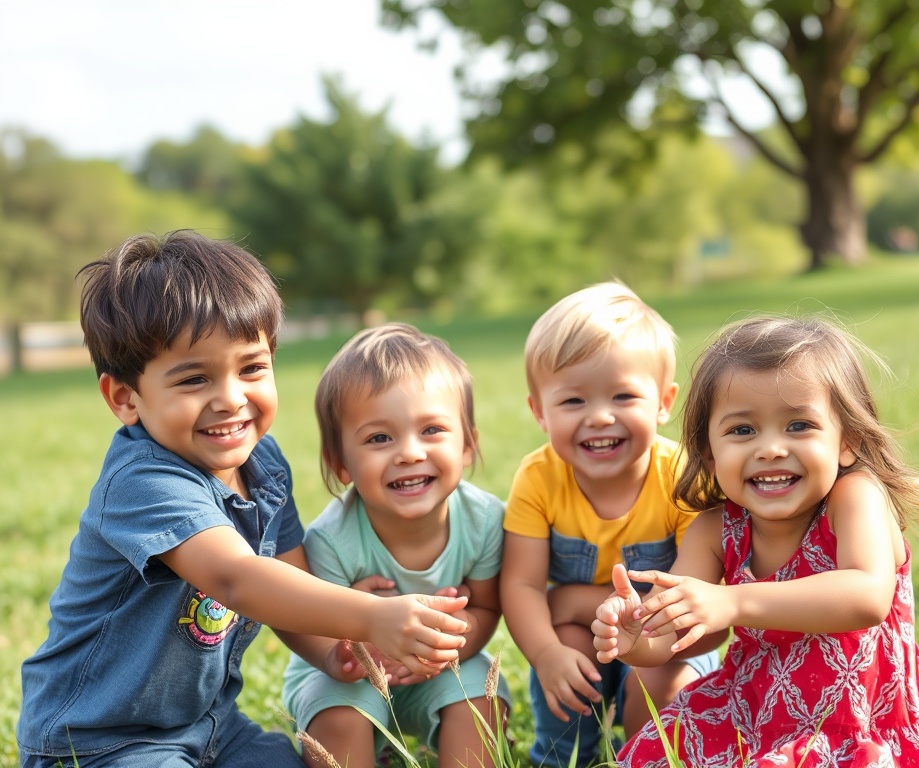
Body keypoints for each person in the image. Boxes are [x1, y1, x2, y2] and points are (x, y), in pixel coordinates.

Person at [17, 231, 470, 768]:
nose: (231, 399)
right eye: (193, 379)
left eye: (251, 368)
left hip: (211, 729)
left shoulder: (264, 466)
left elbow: (288, 580)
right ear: (126, 398)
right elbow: (238, 579)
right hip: (100, 740)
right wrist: (371, 616)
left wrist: (335, 647)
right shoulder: (143, 482)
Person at [593, 314, 919, 767]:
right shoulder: (715, 530)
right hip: (750, 718)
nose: (771, 448)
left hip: (861, 722)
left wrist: (732, 601)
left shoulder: (854, 499)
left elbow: (867, 595)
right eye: (742, 430)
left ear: (847, 441)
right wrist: (636, 636)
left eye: (799, 425)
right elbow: (677, 637)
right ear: (708, 451)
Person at [501, 282, 720, 768]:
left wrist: (575, 600)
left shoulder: (680, 478)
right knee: (568, 651)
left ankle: (651, 758)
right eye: (573, 402)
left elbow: (696, 611)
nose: (600, 417)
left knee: (660, 683)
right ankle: (564, 758)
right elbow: (520, 583)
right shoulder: (539, 478)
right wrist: (545, 654)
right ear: (539, 411)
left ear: (663, 402)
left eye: (623, 396)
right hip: (585, 633)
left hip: (673, 638)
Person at [282, 323, 511, 768]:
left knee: (481, 703)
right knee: (339, 715)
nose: (408, 452)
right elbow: (323, 632)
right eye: (379, 438)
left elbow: (487, 607)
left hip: (443, 668)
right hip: (347, 675)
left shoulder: (484, 521)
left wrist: (451, 643)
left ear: (468, 445)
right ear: (340, 463)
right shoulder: (333, 538)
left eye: (431, 430)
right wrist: (356, 634)